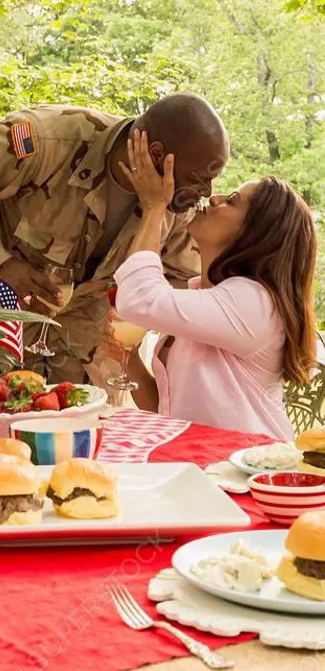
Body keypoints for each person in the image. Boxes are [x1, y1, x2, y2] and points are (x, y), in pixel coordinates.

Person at [0, 93, 230, 385]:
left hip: (86, 364)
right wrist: (2, 263)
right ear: (157, 155)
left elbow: (181, 287)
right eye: (200, 179)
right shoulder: (47, 139)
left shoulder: (174, 205)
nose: (207, 193)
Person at [107, 129, 316, 439]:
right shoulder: (209, 298)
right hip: (209, 469)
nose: (213, 197)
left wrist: (154, 207)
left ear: (255, 234)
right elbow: (168, 411)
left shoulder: (254, 303)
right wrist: (131, 359)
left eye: (231, 201)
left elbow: (138, 299)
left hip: (250, 473)